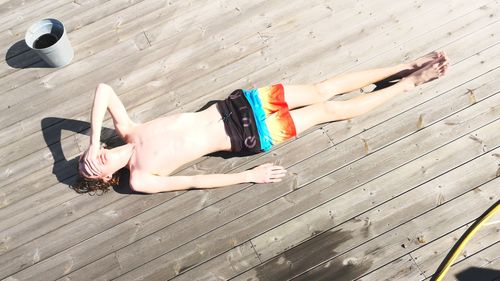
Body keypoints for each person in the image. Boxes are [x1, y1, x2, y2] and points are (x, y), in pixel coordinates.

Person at [76, 51, 449, 194]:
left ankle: (406, 66)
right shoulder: (140, 177)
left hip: (240, 105)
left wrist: (92, 140)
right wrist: (246, 176)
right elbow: (193, 180)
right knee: (327, 112)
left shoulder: (129, 129)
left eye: (86, 158)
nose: (91, 161)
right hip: (250, 135)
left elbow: (104, 89)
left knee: (322, 89)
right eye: (91, 170)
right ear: (106, 178)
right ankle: (409, 85)